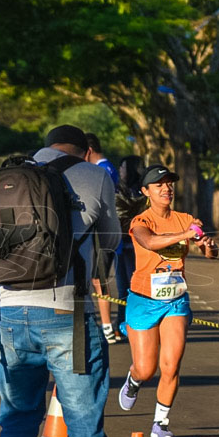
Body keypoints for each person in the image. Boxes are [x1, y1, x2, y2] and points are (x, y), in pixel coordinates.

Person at [0, 125, 121, 437]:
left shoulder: (11, 176)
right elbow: (111, 242)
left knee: (16, 420)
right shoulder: (95, 175)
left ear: (45, 146)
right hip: (68, 311)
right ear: (86, 150)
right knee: (83, 422)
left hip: (12, 310)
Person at [117, 164, 218, 437]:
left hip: (175, 301)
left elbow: (209, 253)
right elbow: (149, 243)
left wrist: (208, 246)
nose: (166, 188)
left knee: (171, 365)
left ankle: (160, 422)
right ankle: (134, 380)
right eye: (159, 184)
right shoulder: (140, 222)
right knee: (146, 368)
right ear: (145, 191)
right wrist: (187, 235)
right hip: (143, 300)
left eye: (170, 183)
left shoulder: (185, 218)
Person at [85, 133, 120, 343]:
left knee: (99, 280)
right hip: (102, 231)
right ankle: (105, 325)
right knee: (97, 279)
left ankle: (106, 326)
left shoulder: (102, 170)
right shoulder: (108, 168)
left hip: (102, 231)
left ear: (88, 150)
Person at [114, 155, 146, 340]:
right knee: (123, 288)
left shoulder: (143, 192)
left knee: (138, 287)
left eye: (123, 168)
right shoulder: (120, 191)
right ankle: (121, 324)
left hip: (139, 247)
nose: (120, 171)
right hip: (123, 245)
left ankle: (137, 324)